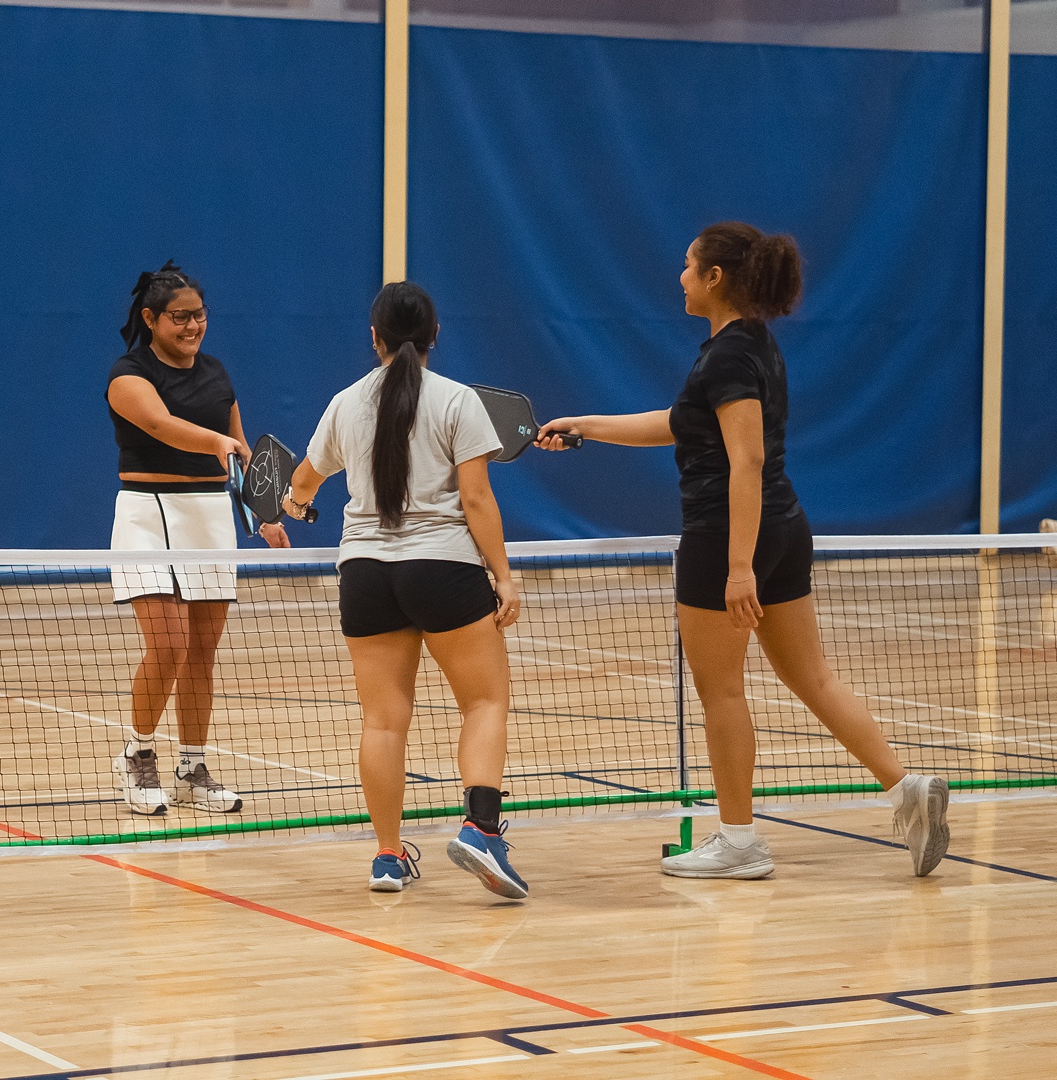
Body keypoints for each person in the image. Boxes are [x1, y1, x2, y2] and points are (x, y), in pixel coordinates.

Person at [537, 222, 950, 879]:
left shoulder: (728, 357)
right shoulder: (749, 348)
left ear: (714, 278)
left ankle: (739, 842)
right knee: (811, 677)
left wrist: (736, 566)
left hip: (727, 537)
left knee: (721, 691)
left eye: (687, 266)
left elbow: (747, 457)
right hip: (784, 529)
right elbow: (681, 424)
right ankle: (907, 790)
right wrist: (585, 425)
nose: (679, 277)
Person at [283, 281, 527, 898]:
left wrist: (292, 501)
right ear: (435, 335)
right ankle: (481, 828)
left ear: (375, 339)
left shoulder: (344, 403)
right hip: (441, 568)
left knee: (384, 722)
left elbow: (307, 479)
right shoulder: (457, 400)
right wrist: (503, 574)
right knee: (484, 702)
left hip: (365, 574)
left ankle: (388, 857)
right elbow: (475, 497)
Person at [107, 261, 289, 816]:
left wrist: (264, 514)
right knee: (167, 645)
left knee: (202, 653)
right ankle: (136, 756)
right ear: (151, 318)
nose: (192, 327)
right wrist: (218, 442)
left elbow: (241, 452)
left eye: (199, 316)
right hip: (147, 516)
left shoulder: (217, 374)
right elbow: (161, 426)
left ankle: (192, 766)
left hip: (208, 518)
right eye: (180, 318)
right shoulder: (128, 375)